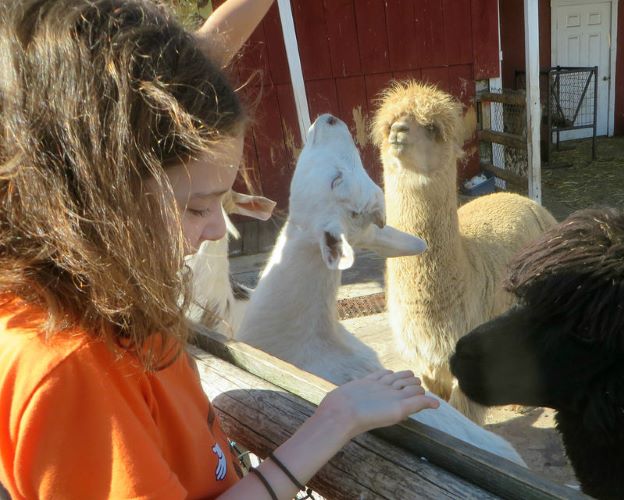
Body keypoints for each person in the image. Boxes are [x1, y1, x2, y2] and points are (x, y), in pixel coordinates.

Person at [0, 0, 439, 498]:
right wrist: (335, 419)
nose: (216, 230)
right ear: (95, 194)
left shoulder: (100, 291)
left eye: (223, 202)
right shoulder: (70, 373)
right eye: (196, 207)